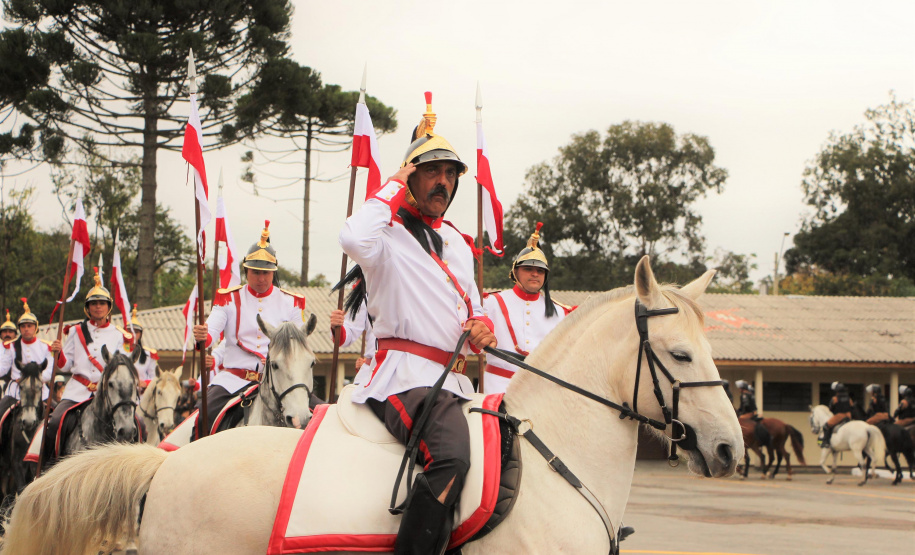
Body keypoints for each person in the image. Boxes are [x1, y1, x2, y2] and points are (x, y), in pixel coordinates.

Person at [339, 94, 496, 555]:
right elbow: (350, 235)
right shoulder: (383, 234)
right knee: (450, 457)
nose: (443, 182)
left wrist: (481, 328)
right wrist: (393, 184)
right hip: (402, 378)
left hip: (451, 381)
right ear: (410, 177)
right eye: (432, 172)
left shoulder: (458, 243)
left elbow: (473, 305)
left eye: (450, 174)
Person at [192, 221, 307, 439]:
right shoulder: (228, 298)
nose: (261, 278)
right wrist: (202, 336)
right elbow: (210, 333)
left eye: (266, 272)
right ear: (246, 270)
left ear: (274, 272)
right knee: (204, 416)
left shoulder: (292, 303)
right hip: (234, 380)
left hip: (280, 382)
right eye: (255, 272)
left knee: (318, 414)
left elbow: (300, 345)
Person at [46, 269, 133, 462]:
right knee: (55, 423)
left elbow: (124, 366)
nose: (98, 307)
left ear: (108, 306)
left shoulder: (119, 335)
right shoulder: (76, 331)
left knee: (138, 425)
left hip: (109, 392)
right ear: (88, 307)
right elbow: (65, 365)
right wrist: (58, 353)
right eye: (94, 303)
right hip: (78, 390)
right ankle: (48, 466)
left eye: (102, 303)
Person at [480, 222, 573, 394]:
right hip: (495, 388)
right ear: (515, 272)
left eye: (540, 270)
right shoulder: (491, 302)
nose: (535, 274)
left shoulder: (560, 312)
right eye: (528, 269)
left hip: (539, 392)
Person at [0, 298, 53, 420]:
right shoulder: (12, 346)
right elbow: (3, 367)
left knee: (56, 417)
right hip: (15, 393)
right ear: (19, 329)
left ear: (35, 327)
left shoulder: (45, 346)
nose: (26, 329)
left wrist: (36, 380)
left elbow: (50, 368)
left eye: (29, 326)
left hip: (41, 392)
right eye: (23, 326)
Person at [330, 298, 377, 381]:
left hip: (405, 369)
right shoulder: (366, 294)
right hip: (371, 372)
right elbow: (348, 333)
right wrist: (338, 326)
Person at [127, 304, 159, 392]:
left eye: (136, 332)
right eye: (129, 331)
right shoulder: (117, 351)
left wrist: (145, 383)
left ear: (140, 334)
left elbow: (155, 377)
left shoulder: (149, 354)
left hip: (140, 395)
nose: (133, 334)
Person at [822, 381, 855, 448]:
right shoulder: (849, 398)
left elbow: (831, 408)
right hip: (848, 416)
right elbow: (852, 407)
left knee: (826, 426)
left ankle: (826, 442)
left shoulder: (835, 398)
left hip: (839, 416)